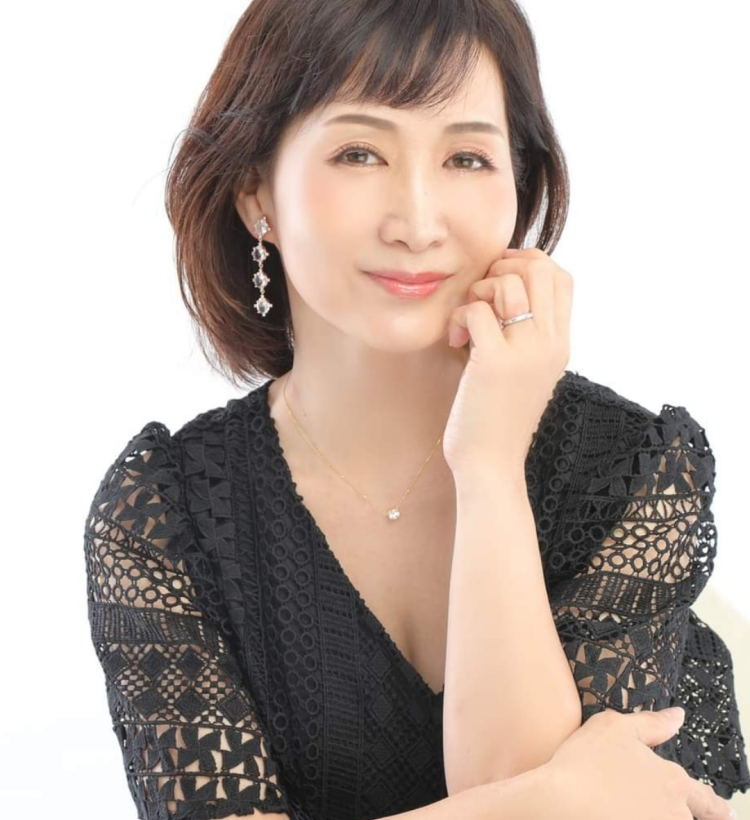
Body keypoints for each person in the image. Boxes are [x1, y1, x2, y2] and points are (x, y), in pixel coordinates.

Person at [83, 1, 748, 818]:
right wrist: (551, 797)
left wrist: (489, 466)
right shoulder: (165, 511)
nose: (418, 222)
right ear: (257, 192)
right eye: (359, 153)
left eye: (467, 158)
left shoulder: (635, 468)